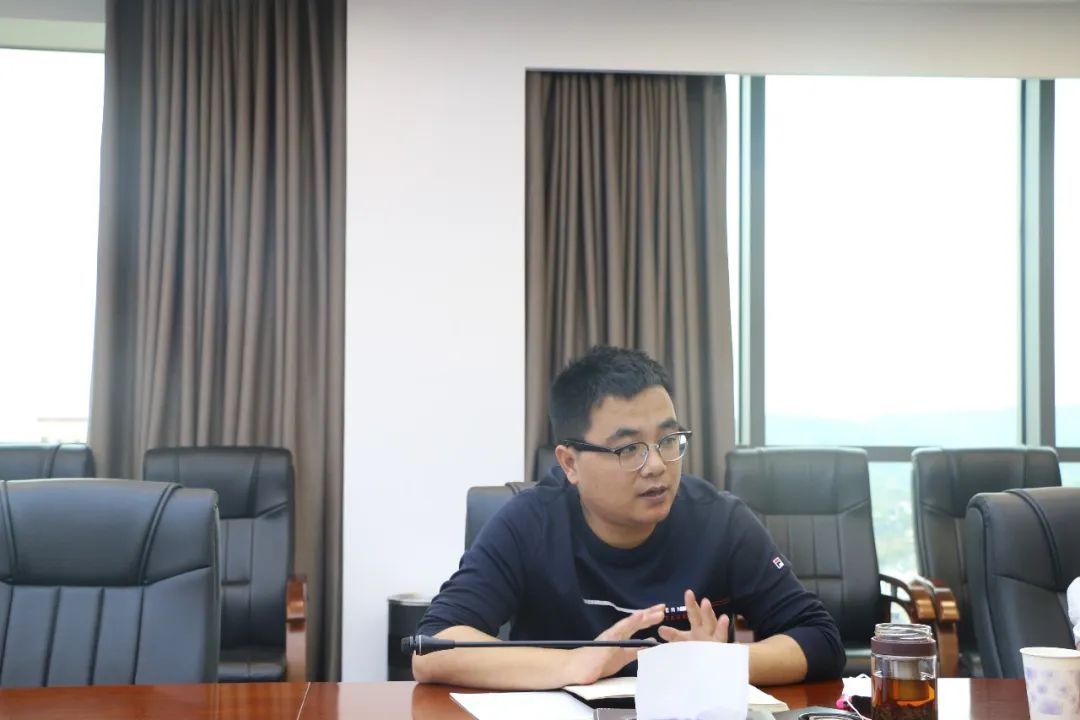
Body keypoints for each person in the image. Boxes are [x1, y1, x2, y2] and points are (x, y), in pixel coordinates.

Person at [412, 346, 845, 689]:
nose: (656, 466)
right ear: (570, 463)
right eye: (629, 449)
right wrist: (575, 664)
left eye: (668, 440)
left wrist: (721, 663)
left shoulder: (721, 521)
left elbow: (820, 638)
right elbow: (432, 648)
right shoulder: (529, 523)